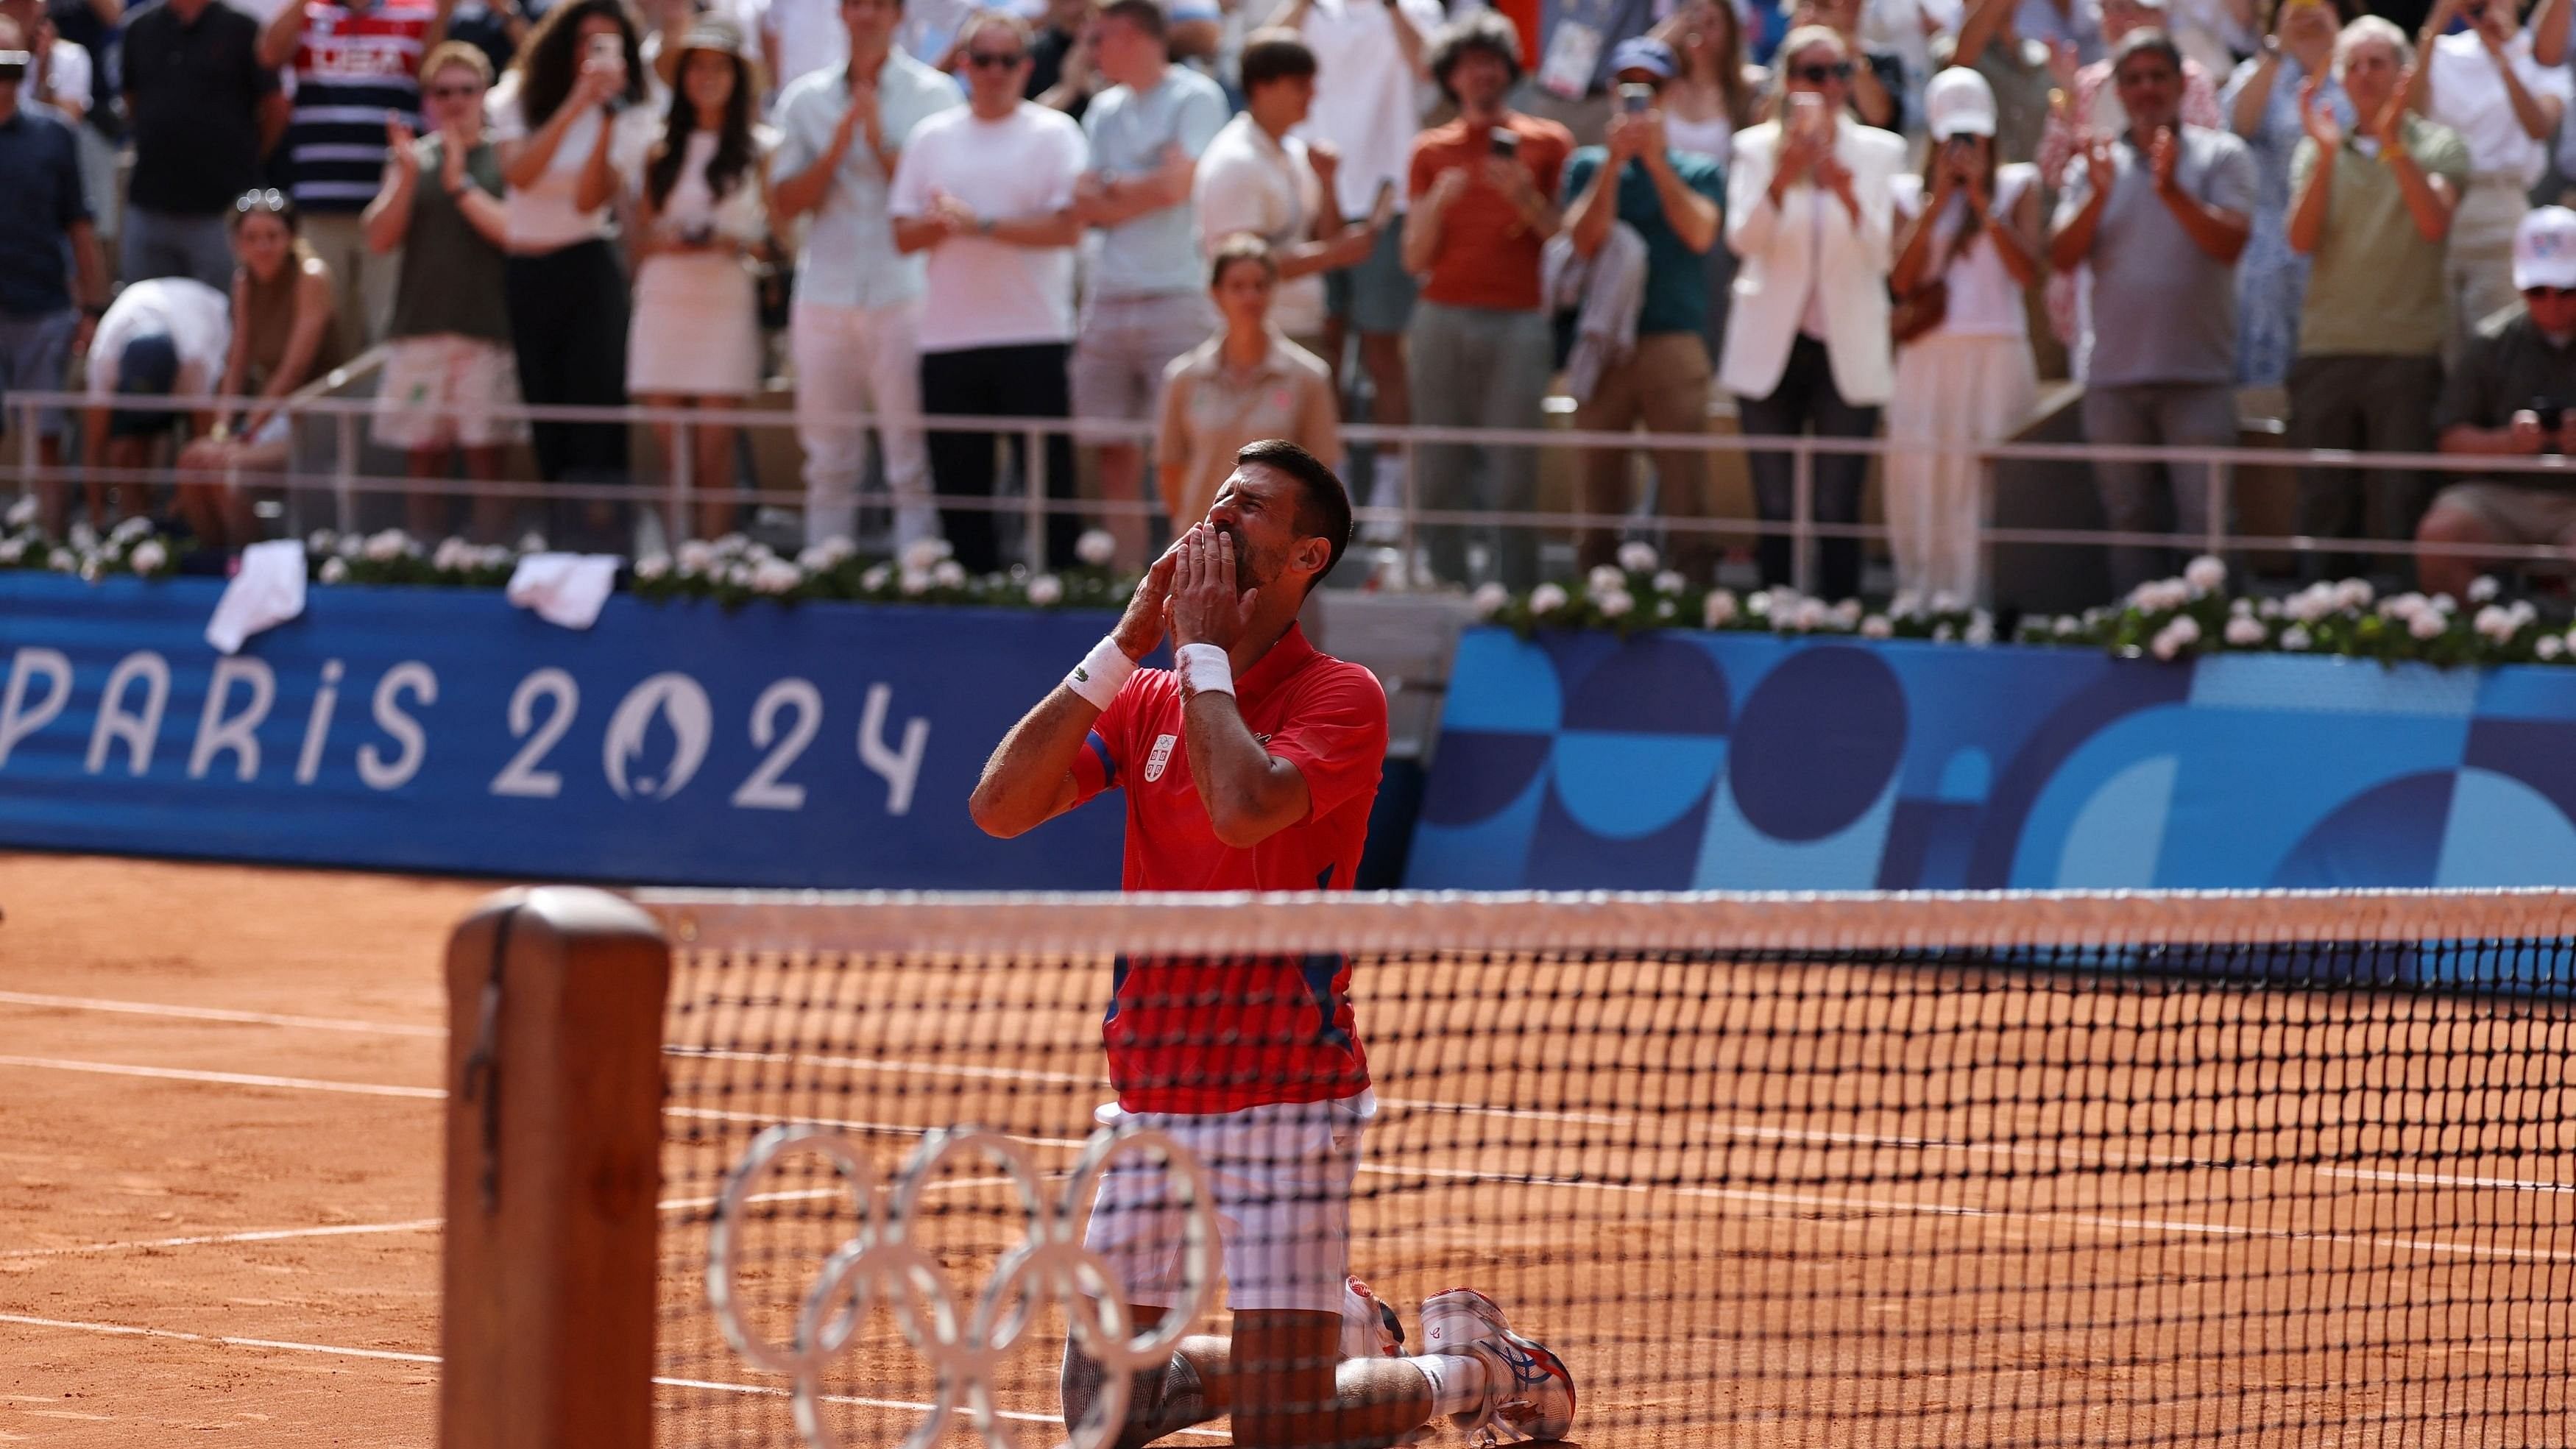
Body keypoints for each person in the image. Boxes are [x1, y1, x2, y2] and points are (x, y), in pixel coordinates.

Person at [966, 436, 1577, 1449]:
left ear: (1308, 556)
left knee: (1282, 1434)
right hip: (1151, 1097)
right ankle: (1349, 1335)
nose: (1218, 516)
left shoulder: (1345, 697)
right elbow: (997, 806)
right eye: (1218, 497)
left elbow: (1245, 805)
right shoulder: (1149, 693)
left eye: (1248, 507)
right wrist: (1129, 639)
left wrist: (1198, 651)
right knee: (1103, 1416)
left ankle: (1468, 1371)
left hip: (1285, 1101)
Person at [2048, 29, 2254, 597]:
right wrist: (2096, 195)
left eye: (2157, 76)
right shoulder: (2093, 166)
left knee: (2207, 526)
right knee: (2128, 522)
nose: (2145, 90)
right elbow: (2061, 255)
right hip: (2113, 378)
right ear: (2117, 89)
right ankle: (2136, 640)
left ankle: (2217, 648)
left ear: (2181, 85)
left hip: (2199, 375)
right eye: (2133, 79)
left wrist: (2172, 192)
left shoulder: (2222, 154)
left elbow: (2230, 243)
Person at [888, 10, 1086, 573]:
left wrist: (981, 225)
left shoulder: (1055, 133)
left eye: (1006, 61)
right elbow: (902, 234)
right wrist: (946, 225)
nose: (994, 72)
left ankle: (1060, 598)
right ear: (964, 65)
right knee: (961, 492)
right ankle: (970, 598)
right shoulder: (931, 137)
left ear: (1026, 66)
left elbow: (1068, 228)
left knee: (1050, 488)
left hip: (1035, 334)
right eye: (982, 60)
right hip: (949, 339)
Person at [1720, 24, 1904, 601]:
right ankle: (1775, 620)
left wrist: (1845, 191)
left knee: (1835, 504)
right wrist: (1783, 173)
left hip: (1846, 345)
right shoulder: (1753, 148)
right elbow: (1743, 240)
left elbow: (1883, 257)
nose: (1827, 86)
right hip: (1769, 344)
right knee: (1775, 505)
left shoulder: (1881, 151)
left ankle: (1840, 625)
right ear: (1787, 81)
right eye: (1813, 73)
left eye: (1839, 72)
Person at [771, 0, 962, 552]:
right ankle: (824, 574)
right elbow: (785, 202)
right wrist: (836, 146)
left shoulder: (935, 95)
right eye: (857, 3)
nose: (868, 15)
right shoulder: (804, 98)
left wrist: (876, 138)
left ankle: (919, 579)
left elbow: (936, 202)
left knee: (911, 455)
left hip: (907, 293)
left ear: (898, 14)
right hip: (824, 292)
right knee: (828, 456)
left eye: (880, 4)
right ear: (843, 13)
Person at [2285, 15, 2463, 581]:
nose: (2364, 76)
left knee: (2400, 505)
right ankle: (2317, 630)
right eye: (2353, 65)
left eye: (2377, 63)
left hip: (2406, 355)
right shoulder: (2319, 149)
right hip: (2327, 351)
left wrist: (2392, 147)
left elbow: (2434, 223)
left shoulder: (2438, 144)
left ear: (2403, 73)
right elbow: (2299, 239)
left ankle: (2399, 635)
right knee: (2324, 503)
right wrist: (2330, 155)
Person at [1403, 13, 1569, 592]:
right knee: (1440, 464)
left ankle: (1518, 598)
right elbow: (1412, 257)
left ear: (1510, 69)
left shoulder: (1549, 142)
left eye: (1492, 61)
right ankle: (1444, 588)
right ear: (1451, 76)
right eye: (1470, 63)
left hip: (1520, 319)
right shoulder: (1429, 150)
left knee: (1515, 469)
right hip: (1441, 316)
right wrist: (1434, 208)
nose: (1482, 74)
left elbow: (1566, 242)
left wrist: (1523, 195)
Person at [1270, 0, 1440, 542]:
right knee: (1327, 349)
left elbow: (1431, 68)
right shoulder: (1308, 10)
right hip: (1315, 194)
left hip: (1385, 202)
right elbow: (1262, 56)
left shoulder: (1416, 8)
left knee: (1384, 351)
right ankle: (1328, 485)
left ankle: (1389, 489)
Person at [1068, 0, 1228, 567]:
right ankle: (1127, 592)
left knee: (1185, 454)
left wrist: (1115, 191)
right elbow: (1085, 203)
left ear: (1134, 36)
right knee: (1114, 452)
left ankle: (1191, 585)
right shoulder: (1103, 108)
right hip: (1108, 297)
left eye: (1100, 38)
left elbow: (1176, 188)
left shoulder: (1196, 95)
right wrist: (1138, 184)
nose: (1091, 51)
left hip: (1178, 295)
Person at [490, 0, 655, 541]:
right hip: (526, 273)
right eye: (586, 41)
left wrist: (602, 113)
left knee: (596, 417)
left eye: (608, 44)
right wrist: (572, 105)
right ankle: (563, 542)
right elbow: (519, 173)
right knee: (546, 414)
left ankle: (607, 545)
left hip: (588, 270)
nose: (594, 55)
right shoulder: (519, 96)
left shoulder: (633, 113)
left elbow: (589, 200)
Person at [1561, 37, 1725, 581]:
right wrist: (1613, 163)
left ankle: (1699, 603)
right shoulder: (1586, 166)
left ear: (1670, 93)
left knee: (1688, 492)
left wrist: (1654, 160)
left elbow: (1701, 233)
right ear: (1611, 92)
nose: (1640, 98)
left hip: (1672, 342)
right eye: (1630, 86)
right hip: (1604, 344)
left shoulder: (1698, 169)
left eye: (1651, 87)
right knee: (1596, 490)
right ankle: (1593, 599)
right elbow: (1582, 241)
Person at [1886, 68, 2041, 609]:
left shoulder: (2019, 184)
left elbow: (2027, 273)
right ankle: (1927, 596)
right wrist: (1935, 206)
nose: (1964, 146)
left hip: (1998, 351)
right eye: (1955, 135)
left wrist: (1981, 203)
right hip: (1929, 357)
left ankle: (1992, 602)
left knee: (1990, 484)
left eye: (1973, 136)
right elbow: (1900, 281)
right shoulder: (1905, 193)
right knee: (1926, 476)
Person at [363, 40, 522, 543]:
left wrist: (458, 183)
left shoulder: (507, 155)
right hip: (421, 330)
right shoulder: (412, 159)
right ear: (428, 98)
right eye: (443, 91)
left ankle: (491, 566)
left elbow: (513, 232)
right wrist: (409, 175)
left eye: (467, 90)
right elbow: (379, 237)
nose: (455, 101)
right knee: (423, 458)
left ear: (486, 93)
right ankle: (421, 571)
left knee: (487, 462)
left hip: (488, 331)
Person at [628, 16, 771, 541]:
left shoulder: (760, 149)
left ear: (736, 77)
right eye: (697, 67)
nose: (706, 77)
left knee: (714, 455)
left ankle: (712, 570)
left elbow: (775, 240)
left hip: (724, 301)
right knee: (674, 462)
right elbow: (640, 238)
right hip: (664, 302)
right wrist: (669, 239)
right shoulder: (658, 152)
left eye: (718, 67)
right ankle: (674, 568)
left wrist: (728, 240)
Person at [259, 0, 459, 360]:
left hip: (389, 210)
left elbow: (433, 76)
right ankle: (325, 420)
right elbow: (269, 53)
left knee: (387, 335)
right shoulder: (310, 15)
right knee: (324, 339)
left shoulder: (415, 14)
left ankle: (382, 420)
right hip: (319, 208)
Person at [2034, 0, 2223, 364]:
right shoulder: (2085, 84)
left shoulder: (2192, 79)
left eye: (2130, 7)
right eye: (2110, 9)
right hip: (2101, 267)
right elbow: (2054, 171)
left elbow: (2204, 166)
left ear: (2162, 17)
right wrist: (2069, 103)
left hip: (2174, 264)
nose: (2120, 19)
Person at [1192, 30, 1381, 363]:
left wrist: (1328, 184)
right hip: (1253, 338)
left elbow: (1323, 237)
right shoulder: (1234, 161)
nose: (1313, 94)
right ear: (1264, 87)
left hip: (1299, 327)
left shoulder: (1294, 153)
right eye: (1301, 85)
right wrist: (1334, 255)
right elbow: (1242, 270)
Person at [2416, 207, 2576, 600]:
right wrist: (2508, 443)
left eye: (2568, 290)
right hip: (2499, 497)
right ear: (2520, 285)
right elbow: (2449, 441)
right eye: (2539, 291)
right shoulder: (2490, 343)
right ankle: (2486, 638)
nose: (2552, 304)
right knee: (2439, 537)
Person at [176, 190, 345, 553]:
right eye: (252, 238)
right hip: (269, 418)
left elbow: (294, 370)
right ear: (237, 243)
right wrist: (222, 430)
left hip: (313, 420)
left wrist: (245, 432)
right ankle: (215, 562)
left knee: (229, 469)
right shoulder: (244, 282)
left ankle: (246, 565)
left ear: (291, 238)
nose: (263, 246)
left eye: (272, 236)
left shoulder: (311, 278)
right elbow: (236, 363)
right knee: (193, 460)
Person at [2403, 0, 2568, 362]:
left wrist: (2501, 57)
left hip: (2502, 208)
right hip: (2439, 206)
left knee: (2498, 344)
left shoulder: (2539, 61)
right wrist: (2440, 17)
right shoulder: (2439, 52)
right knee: (2439, 345)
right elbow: (2409, 114)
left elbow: (2539, 126)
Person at [1156, 238, 1340, 534]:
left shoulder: (1310, 377)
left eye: (1260, 285)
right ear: (1216, 293)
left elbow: (1322, 475)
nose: (1250, 297)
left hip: (1277, 554)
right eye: (1237, 287)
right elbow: (1170, 472)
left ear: (1274, 289)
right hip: (1200, 547)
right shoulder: (1183, 377)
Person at [0, 13, 107, 511]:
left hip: (43, 308)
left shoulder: (54, 135)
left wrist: (93, 307)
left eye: (11, 67)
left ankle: (51, 545)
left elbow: (80, 226)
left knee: (47, 439)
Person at [2221, 0, 2348, 386]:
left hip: (2343, 244)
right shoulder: (2257, 73)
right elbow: (2238, 126)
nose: (2308, 14)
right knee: (2267, 377)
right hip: (2269, 254)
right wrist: (2279, 49)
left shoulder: (2360, 69)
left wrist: (2338, 43)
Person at [119, 0, 286, 292]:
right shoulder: (139, 28)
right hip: (150, 207)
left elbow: (275, 108)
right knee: (146, 322)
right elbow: (132, 102)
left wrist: (247, 158)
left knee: (222, 322)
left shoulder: (243, 29)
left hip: (222, 213)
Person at [1653, 0, 1763, 361]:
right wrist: (1668, 37)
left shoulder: (1750, 91)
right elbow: (1632, 65)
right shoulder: (1661, 87)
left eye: (1712, 21)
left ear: (1732, 30)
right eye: (1692, 18)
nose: (1700, 28)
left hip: (1721, 232)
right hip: (1663, 221)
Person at [79, 277, 233, 531]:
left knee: (197, 458)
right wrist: (97, 523)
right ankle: (131, 527)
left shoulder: (195, 361)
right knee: (126, 451)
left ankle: (189, 527)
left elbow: (204, 439)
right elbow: (94, 445)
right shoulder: (103, 358)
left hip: (207, 325)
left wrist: (180, 506)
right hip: (167, 336)